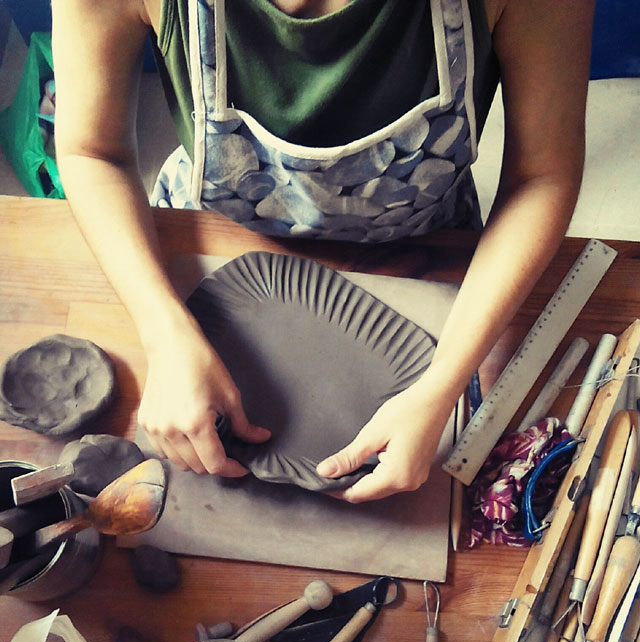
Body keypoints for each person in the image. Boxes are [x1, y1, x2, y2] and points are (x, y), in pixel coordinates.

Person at [50, 0, 595, 502]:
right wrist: (163, 331)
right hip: (214, 237)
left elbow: (542, 175)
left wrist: (443, 383)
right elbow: (91, 151)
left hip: (431, 245)